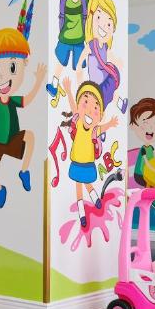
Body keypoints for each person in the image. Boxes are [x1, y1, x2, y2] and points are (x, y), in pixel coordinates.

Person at [0, 27, 47, 208]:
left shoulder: (13, 100)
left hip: (12, 138)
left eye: (12, 67)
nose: (3, 76)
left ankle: (24, 171)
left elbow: (27, 99)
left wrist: (38, 82)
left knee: (30, 136)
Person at [47, 0, 104, 105]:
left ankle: (82, 93)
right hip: (65, 38)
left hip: (80, 40)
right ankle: (54, 85)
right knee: (60, 63)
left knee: (79, 68)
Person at [62, 77, 119, 229]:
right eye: (85, 102)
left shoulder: (94, 130)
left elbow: (103, 128)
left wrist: (111, 123)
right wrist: (68, 91)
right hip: (76, 162)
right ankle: (82, 213)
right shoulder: (78, 122)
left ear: (100, 115)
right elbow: (73, 106)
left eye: (95, 107)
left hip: (87, 163)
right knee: (79, 186)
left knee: (86, 182)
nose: (89, 110)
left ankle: (94, 198)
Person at [83, 0, 121, 108]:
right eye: (99, 17)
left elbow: (110, 56)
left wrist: (117, 62)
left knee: (113, 80)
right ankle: (118, 103)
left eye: (109, 24)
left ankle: (120, 103)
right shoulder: (91, 45)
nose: (104, 26)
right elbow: (81, 61)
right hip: (98, 85)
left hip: (105, 79)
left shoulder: (104, 46)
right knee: (103, 99)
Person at [129, 97, 155, 188]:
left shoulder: (151, 148)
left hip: (148, 172)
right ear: (133, 125)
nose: (151, 128)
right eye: (145, 123)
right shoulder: (143, 150)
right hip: (141, 175)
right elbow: (147, 164)